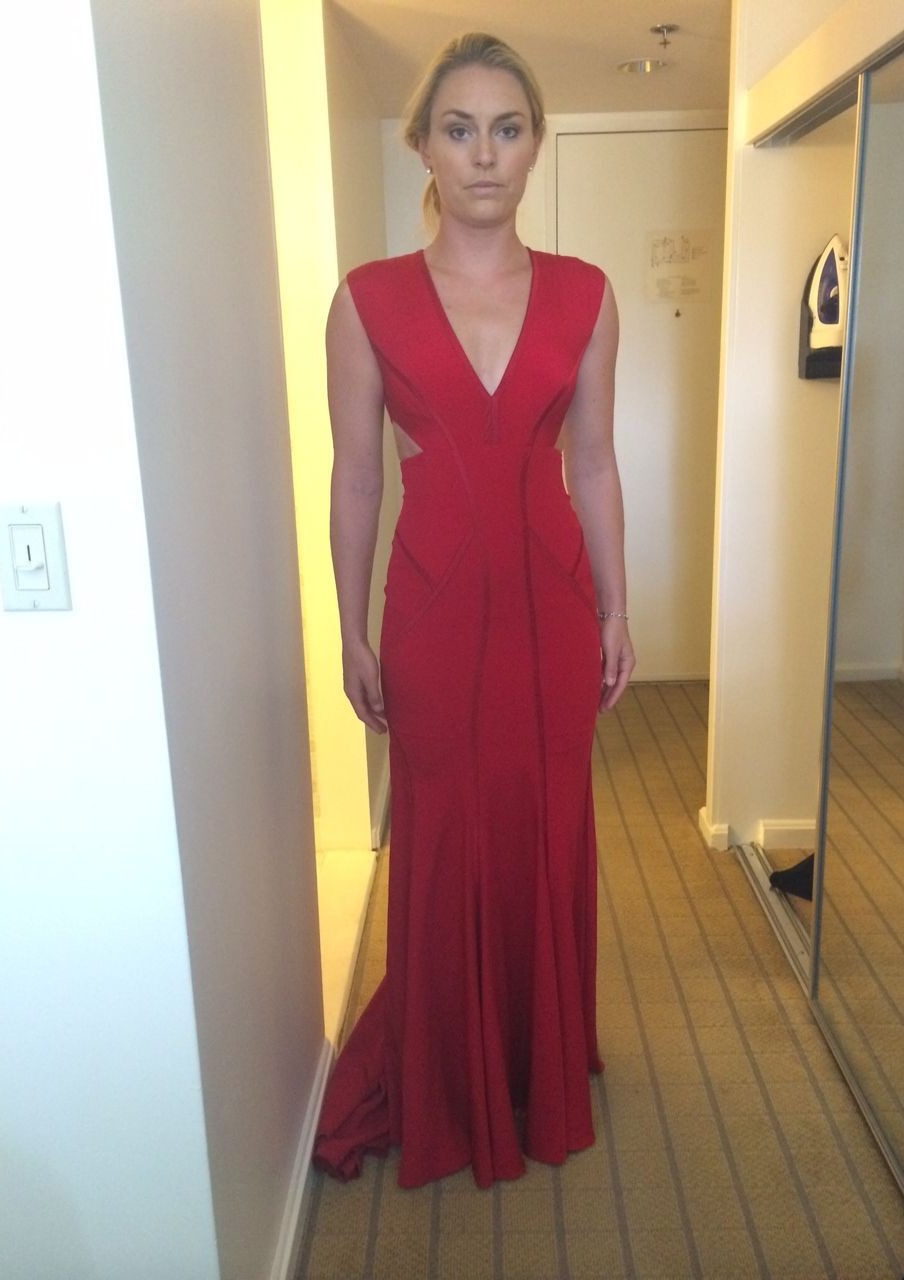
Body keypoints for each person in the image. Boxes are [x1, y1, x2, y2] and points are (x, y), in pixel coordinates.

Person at [312, 30, 635, 1192]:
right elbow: (358, 476)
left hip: (554, 607)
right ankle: (451, 1073)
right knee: (446, 834)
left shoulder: (588, 293)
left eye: (507, 129)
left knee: (545, 825)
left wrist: (617, 609)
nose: (485, 153)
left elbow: (593, 461)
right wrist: (349, 628)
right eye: (460, 129)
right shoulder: (368, 300)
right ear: (424, 146)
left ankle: (536, 1058)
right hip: (434, 613)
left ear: (536, 144)